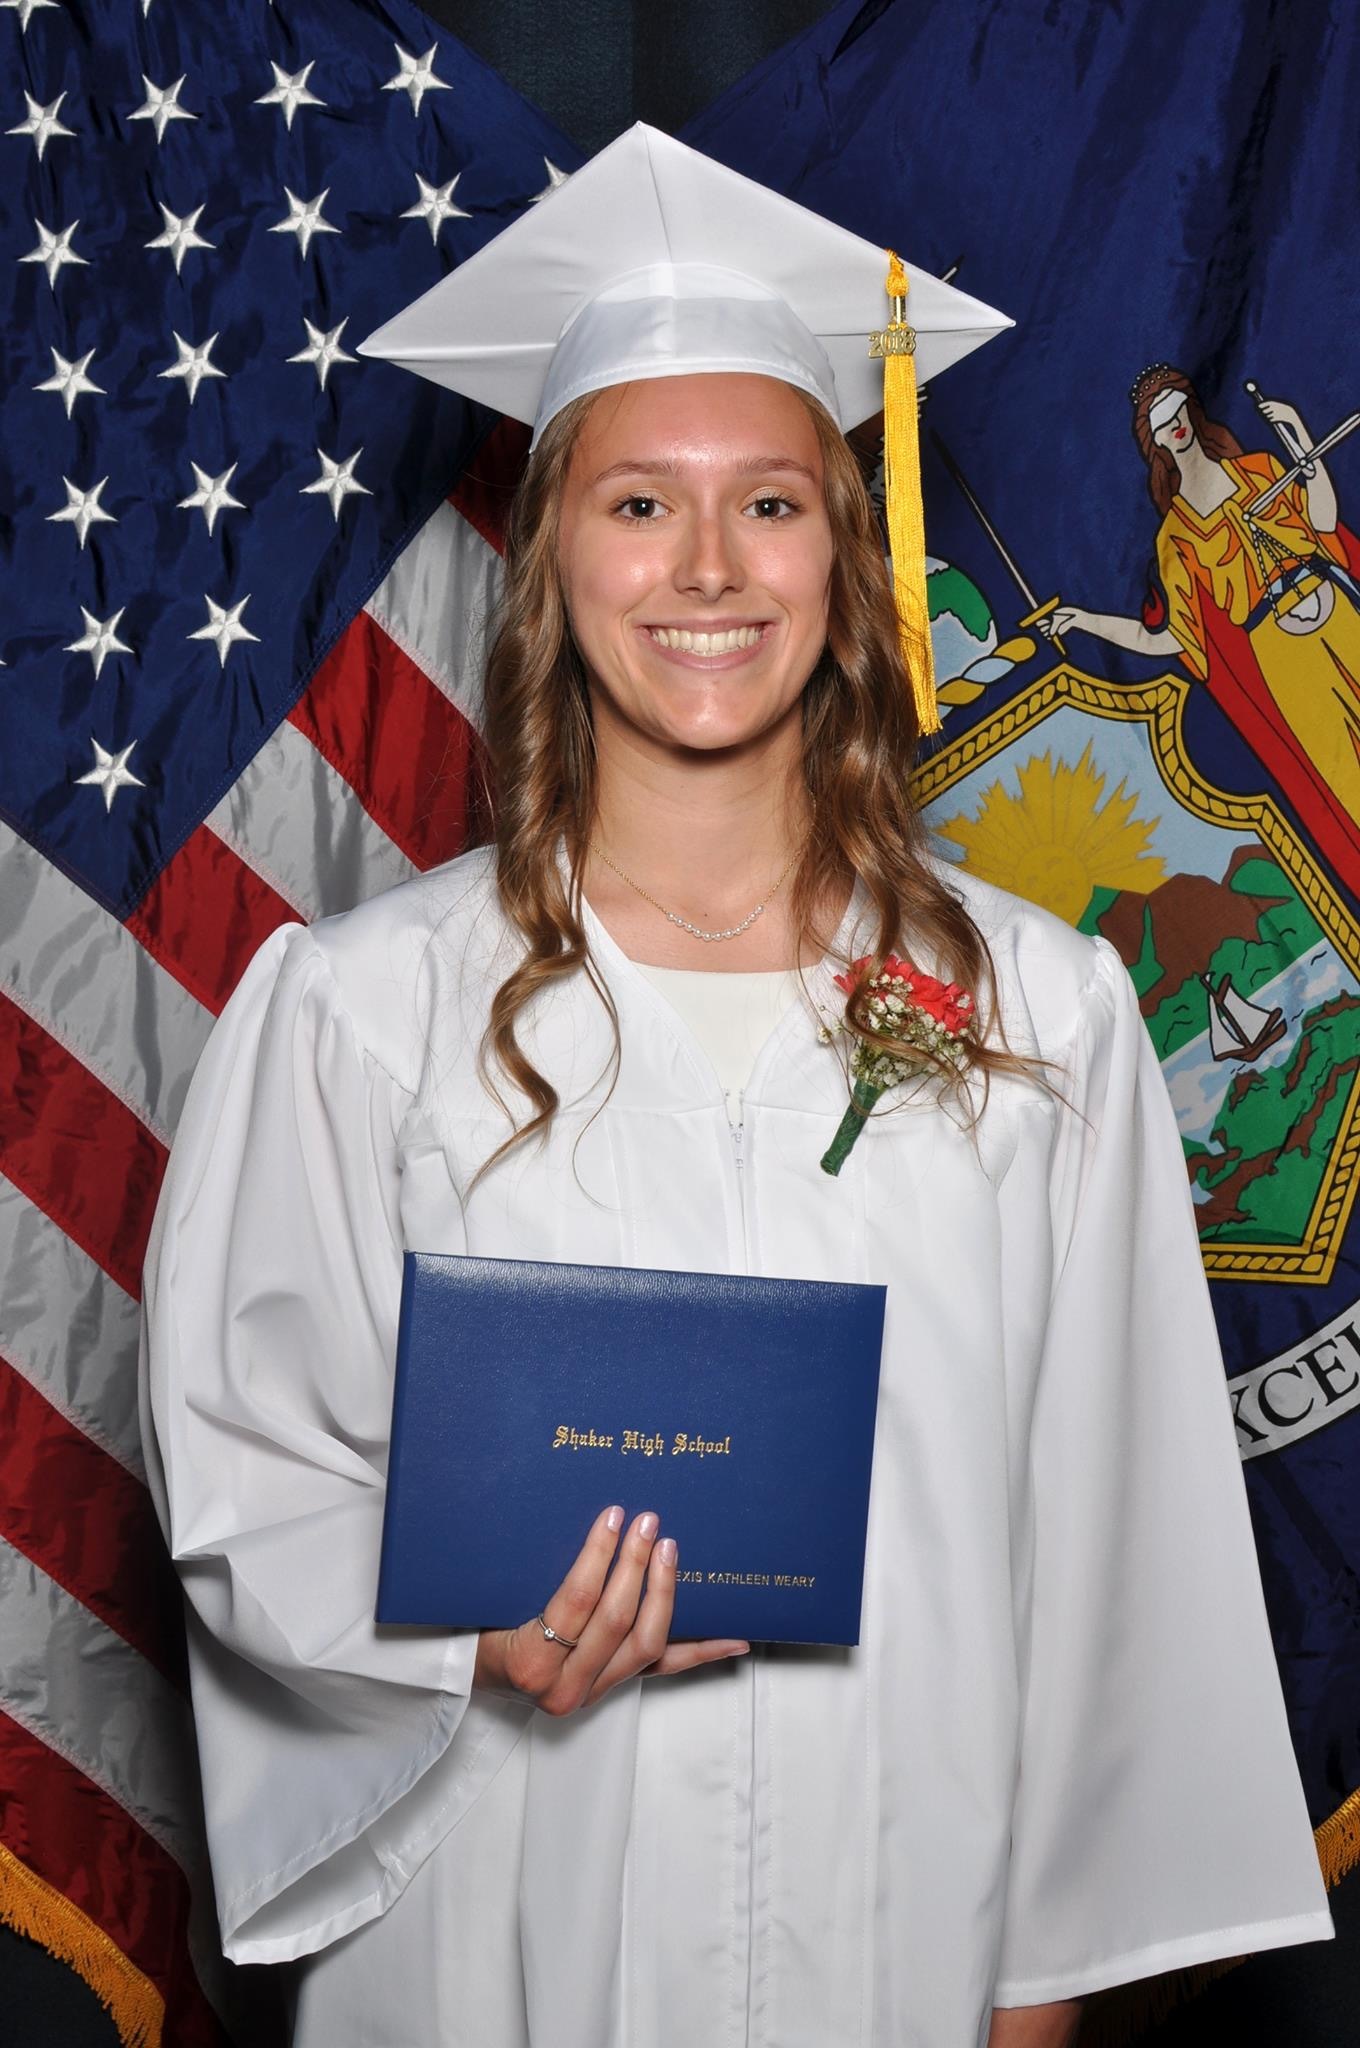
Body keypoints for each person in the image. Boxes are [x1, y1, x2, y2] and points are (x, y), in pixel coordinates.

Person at [139, 127, 1332, 2048]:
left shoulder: (1041, 1011)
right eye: (639, 502)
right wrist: (444, 1634)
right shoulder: (361, 1015)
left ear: (848, 560)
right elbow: (242, 1472)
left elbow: (1119, 1552)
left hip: (910, 1954)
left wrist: (1031, 2010)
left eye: (771, 501)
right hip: (496, 1932)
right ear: (553, 558)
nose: (707, 565)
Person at [1040, 365, 1360, 896]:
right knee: (1346, 769)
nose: (1176, 424)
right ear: (1156, 443)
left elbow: (1323, 523)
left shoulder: (1259, 470)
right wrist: (1084, 620)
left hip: (1337, 608)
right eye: (1162, 422)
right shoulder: (1177, 538)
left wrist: (1300, 438)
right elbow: (1169, 638)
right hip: (1280, 647)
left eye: (1178, 409)